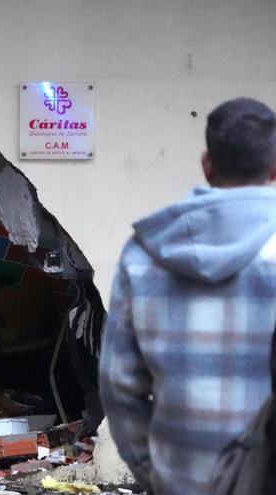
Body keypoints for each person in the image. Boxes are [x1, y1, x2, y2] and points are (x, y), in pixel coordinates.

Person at [99, 97, 276, 495]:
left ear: (207, 164)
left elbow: (118, 384)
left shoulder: (144, 252)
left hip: (180, 480)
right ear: (275, 167)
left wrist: (154, 472)